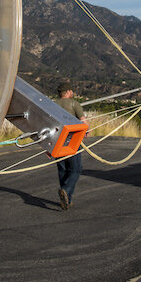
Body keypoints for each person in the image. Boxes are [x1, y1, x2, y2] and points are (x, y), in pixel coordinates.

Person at [54, 82, 86, 210]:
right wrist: (87, 131)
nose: (72, 93)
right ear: (67, 92)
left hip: (57, 142)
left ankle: (67, 199)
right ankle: (66, 190)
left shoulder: (53, 105)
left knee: (63, 170)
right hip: (72, 142)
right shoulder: (75, 104)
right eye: (71, 91)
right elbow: (84, 122)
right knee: (76, 169)